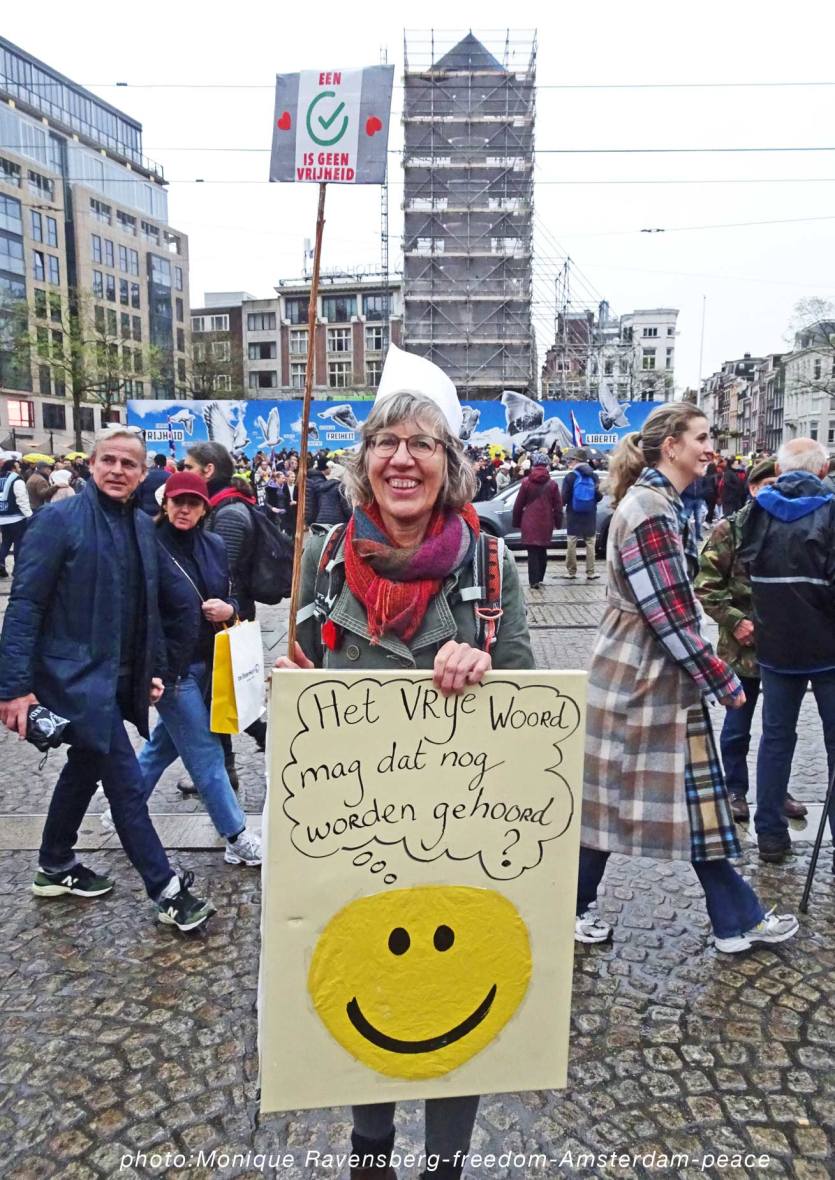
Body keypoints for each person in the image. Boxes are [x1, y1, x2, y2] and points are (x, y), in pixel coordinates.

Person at [277, 343, 534, 1180]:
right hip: (353, 838)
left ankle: (445, 1162)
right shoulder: (320, 558)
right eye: (385, 442)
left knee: (457, 988)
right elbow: (296, 702)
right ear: (363, 463)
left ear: (449, 463)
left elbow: (532, 714)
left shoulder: (490, 564)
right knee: (365, 982)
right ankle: (370, 1149)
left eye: (421, 443)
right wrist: (288, 689)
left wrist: (485, 668)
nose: (401, 459)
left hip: (462, 840)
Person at [577, 404, 798, 954]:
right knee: (617, 801)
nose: (709, 447)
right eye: (700, 437)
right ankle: (574, 907)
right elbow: (670, 614)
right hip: (644, 680)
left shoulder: (653, 503)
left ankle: (734, 918)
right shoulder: (651, 510)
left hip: (645, 677)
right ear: (670, 446)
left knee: (671, 803)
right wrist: (722, 678)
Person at [0, 426, 214, 931]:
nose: (118, 470)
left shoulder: (140, 526)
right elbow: (25, 605)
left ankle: (55, 863)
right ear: (92, 465)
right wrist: (13, 689)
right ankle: (167, 890)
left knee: (85, 766)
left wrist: (155, 670)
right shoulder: (57, 520)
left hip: (115, 679)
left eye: (128, 464)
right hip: (72, 681)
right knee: (125, 784)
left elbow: (149, 608)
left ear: (142, 474)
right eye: (109, 460)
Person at [130, 471, 261, 866]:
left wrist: (229, 608)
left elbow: (234, 595)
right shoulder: (148, 545)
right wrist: (151, 669)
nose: (184, 509)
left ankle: (123, 807)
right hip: (172, 671)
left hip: (211, 663)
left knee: (162, 746)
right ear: (165, 503)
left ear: (204, 508)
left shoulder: (214, 545)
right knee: (206, 753)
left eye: (193, 503)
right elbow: (140, 612)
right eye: (178, 502)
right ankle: (236, 836)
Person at [695, 458, 808, 825]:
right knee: (737, 726)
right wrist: (735, 621)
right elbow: (707, 586)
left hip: (784, 650)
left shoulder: (795, 528)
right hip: (741, 648)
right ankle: (734, 790)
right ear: (754, 488)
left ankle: (776, 791)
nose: (776, 492)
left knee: (780, 730)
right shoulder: (730, 529)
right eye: (769, 485)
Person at [739, 437, 835, 864]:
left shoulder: (757, 511)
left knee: (775, 739)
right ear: (823, 470)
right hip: (827, 645)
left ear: (779, 470)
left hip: (776, 643)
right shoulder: (830, 510)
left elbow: (745, 566)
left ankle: (771, 835)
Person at [511, 451, 563, 590]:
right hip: (546, 521)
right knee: (542, 550)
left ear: (533, 465)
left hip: (529, 521)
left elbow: (518, 505)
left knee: (532, 552)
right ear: (546, 465)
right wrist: (558, 523)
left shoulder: (526, 482)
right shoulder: (552, 484)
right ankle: (539, 577)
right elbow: (558, 506)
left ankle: (533, 581)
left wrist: (517, 522)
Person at [560, 447, 602, 582]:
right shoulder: (593, 476)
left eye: (571, 460)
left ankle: (571, 571)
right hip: (590, 513)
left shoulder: (570, 477)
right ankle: (591, 572)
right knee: (590, 543)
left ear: (577, 460)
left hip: (573, 513)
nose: (570, 462)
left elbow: (564, 498)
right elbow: (599, 496)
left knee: (572, 542)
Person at [0, 459, 32, 577]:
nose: (20, 469)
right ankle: (17, 569)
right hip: (16, 517)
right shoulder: (17, 480)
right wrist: (29, 515)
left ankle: (1, 565)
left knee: (5, 542)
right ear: (13, 468)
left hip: (3, 517)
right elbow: (21, 499)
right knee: (19, 543)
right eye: (18, 467)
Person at [305, 457, 351, 528]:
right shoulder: (339, 486)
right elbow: (346, 507)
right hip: (337, 522)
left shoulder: (321, 484)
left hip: (320, 520)